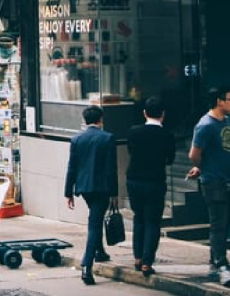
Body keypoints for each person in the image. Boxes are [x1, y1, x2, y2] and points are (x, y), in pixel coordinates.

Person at [188, 86, 230, 288]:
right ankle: (222, 264)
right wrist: (203, 168)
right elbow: (194, 154)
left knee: (225, 224)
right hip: (214, 181)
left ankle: (214, 262)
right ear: (219, 101)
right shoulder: (205, 125)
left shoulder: (227, 121)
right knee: (218, 224)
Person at [64, 105, 118, 286]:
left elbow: (71, 167)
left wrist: (68, 192)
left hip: (84, 188)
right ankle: (87, 264)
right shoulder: (108, 138)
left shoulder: (77, 139)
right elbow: (111, 168)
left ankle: (100, 251)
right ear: (100, 120)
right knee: (95, 223)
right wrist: (114, 192)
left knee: (95, 218)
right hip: (102, 188)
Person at [125, 97, 175, 276]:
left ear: (144, 113)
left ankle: (137, 257)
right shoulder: (167, 135)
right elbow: (170, 159)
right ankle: (147, 261)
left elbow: (131, 151)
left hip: (134, 180)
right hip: (155, 181)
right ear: (163, 114)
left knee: (139, 218)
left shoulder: (133, 131)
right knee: (153, 221)